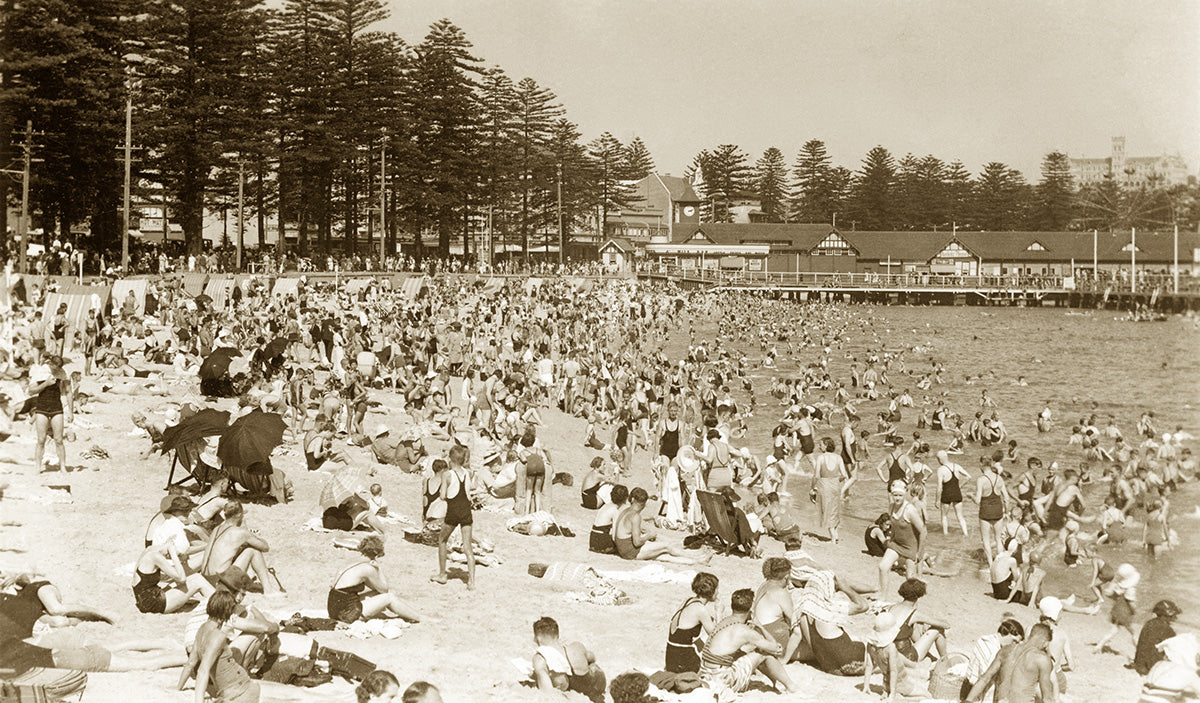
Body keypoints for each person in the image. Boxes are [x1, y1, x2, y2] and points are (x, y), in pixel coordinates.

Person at [698, 588, 799, 695]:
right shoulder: (744, 631)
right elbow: (776, 648)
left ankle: (776, 681)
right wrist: (760, 626)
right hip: (722, 680)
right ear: (750, 609)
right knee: (763, 654)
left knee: (752, 650)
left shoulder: (725, 622)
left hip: (706, 674)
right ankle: (791, 687)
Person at [179, 591, 259, 703]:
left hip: (235, 687)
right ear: (227, 611)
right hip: (239, 690)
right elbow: (203, 671)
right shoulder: (218, 636)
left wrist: (178, 688)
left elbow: (190, 663)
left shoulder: (202, 628)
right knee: (290, 692)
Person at [328, 535, 420, 623]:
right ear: (376, 554)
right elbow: (384, 590)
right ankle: (420, 618)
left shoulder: (351, 562)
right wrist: (378, 569)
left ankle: (407, 614)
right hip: (347, 614)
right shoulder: (368, 568)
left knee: (376, 594)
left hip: (333, 608)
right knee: (389, 597)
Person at [199, 501, 278, 594]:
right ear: (239, 515)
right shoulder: (240, 532)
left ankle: (253, 584)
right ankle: (269, 590)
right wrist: (250, 533)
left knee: (238, 551)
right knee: (252, 550)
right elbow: (265, 548)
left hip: (206, 579)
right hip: (220, 582)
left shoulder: (217, 529)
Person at [612, 487, 707, 564]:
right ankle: (695, 556)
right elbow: (637, 542)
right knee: (666, 547)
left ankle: (696, 560)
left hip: (622, 549)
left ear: (632, 499)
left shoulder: (625, 511)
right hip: (630, 552)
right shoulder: (635, 516)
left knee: (663, 556)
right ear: (644, 504)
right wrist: (649, 536)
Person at [531, 616, 606, 703]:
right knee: (593, 667)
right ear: (557, 635)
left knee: (547, 675)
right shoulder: (576, 647)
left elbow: (547, 692)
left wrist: (537, 676)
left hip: (567, 689)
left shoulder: (540, 658)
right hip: (593, 685)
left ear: (538, 638)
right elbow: (592, 657)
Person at [133, 540, 215, 614]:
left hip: (143, 600)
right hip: (153, 604)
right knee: (197, 579)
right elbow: (182, 578)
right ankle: (222, 605)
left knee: (188, 579)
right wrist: (174, 556)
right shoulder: (155, 557)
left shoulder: (149, 550)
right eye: (179, 554)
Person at [433, 444, 475, 589]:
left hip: (453, 511)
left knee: (442, 540)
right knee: (468, 547)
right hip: (466, 511)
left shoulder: (448, 474)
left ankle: (443, 574)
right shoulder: (468, 473)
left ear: (451, 458)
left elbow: (443, 495)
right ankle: (471, 582)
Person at [877, 480, 925, 593]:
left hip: (910, 547)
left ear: (905, 494)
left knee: (910, 579)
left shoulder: (910, 510)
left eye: (900, 495)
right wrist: (890, 539)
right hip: (897, 544)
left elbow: (923, 531)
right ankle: (882, 598)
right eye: (895, 495)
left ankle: (913, 604)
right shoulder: (891, 507)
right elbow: (893, 526)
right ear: (891, 495)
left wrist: (920, 552)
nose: (897, 498)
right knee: (883, 567)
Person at [665, 572, 719, 673]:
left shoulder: (688, 601)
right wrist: (718, 614)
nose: (718, 592)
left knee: (702, 640)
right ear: (711, 591)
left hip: (670, 659)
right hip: (683, 663)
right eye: (717, 589)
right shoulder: (700, 609)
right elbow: (717, 637)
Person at [961, 618, 1025, 700]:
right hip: (975, 689)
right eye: (1014, 641)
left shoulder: (987, 639)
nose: (1013, 645)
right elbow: (985, 678)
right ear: (1006, 633)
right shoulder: (991, 648)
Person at [28, 356, 71, 472]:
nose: (57, 371)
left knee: (59, 440)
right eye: (55, 369)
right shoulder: (41, 371)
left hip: (56, 406)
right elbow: (31, 391)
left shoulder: (62, 373)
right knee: (41, 440)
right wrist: (46, 384)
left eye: (59, 369)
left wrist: (71, 411)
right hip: (42, 406)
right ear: (51, 364)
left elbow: (68, 392)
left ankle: (63, 467)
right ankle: (37, 467)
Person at [752, 558, 799, 662]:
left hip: (759, 634)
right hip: (774, 639)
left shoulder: (764, 585)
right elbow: (794, 621)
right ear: (786, 577)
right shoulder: (781, 592)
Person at [1095, 563, 1140, 656]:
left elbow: (1111, 595)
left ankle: (1099, 645)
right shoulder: (1130, 589)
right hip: (1125, 613)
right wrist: (1135, 611)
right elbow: (1131, 603)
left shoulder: (1119, 586)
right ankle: (1139, 650)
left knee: (1114, 630)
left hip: (1116, 611)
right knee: (1133, 632)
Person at [810, 436, 849, 542]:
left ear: (826, 445)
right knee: (835, 510)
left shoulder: (821, 458)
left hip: (824, 485)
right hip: (835, 486)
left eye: (821, 444)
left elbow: (816, 476)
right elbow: (844, 475)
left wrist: (812, 488)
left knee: (826, 511)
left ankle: (833, 537)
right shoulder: (838, 458)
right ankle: (835, 534)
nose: (819, 446)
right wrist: (836, 480)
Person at [975, 452, 1010, 563]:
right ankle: (1000, 563)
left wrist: (971, 496)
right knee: (998, 539)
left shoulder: (981, 480)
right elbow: (1006, 498)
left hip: (985, 512)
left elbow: (977, 501)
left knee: (986, 540)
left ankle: (991, 565)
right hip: (998, 511)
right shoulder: (999, 478)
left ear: (981, 465)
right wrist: (1007, 512)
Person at [1133, 600, 1181, 675]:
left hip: (1140, 662)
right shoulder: (1167, 629)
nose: (1175, 618)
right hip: (1151, 667)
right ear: (1164, 615)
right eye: (1172, 616)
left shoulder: (1150, 622)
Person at [935, 449, 971, 535]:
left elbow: (939, 486)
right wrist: (960, 486)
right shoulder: (956, 466)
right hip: (957, 493)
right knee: (960, 516)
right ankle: (966, 534)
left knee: (944, 516)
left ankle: (945, 534)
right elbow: (968, 477)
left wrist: (937, 500)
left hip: (946, 494)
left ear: (940, 459)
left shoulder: (941, 469)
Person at [589, 483, 626, 555]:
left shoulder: (605, 506)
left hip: (593, 539)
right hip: (601, 541)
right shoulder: (615, 510)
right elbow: (615, 534)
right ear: (624, 499)